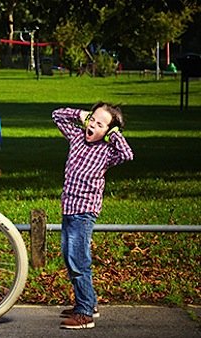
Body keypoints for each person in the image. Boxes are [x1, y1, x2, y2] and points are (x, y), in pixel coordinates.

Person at [52, 102, 134, 330]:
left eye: (101, 125)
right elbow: (57, 116)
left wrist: (114, 135)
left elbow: (127, 154)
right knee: (70, 257)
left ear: (108, 131)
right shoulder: (77, 137)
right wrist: (81, 115)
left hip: (84, 211)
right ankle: (87, 302)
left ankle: (85, 312)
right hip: (68, 208)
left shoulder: (107, 152)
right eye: (92, 120)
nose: (93, 126)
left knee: (79, 260)